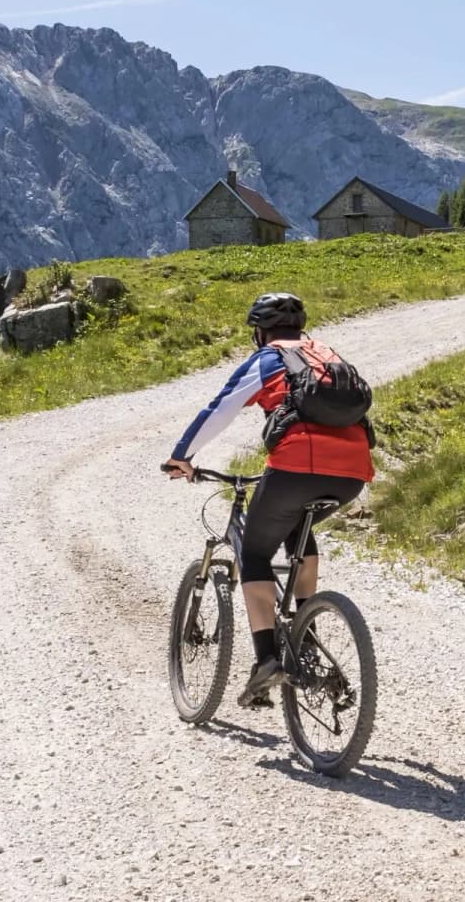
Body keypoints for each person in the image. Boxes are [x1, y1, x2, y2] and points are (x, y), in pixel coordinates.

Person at [163, 292, 373, 707]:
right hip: (352, 473)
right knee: (299, 529)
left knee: (256, 552)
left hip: (296, 466)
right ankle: (307, 633)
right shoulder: (327, 355)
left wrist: (181, 457)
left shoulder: (268, 359)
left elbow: (219, 410)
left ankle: (266, 661)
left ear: (260, 332)